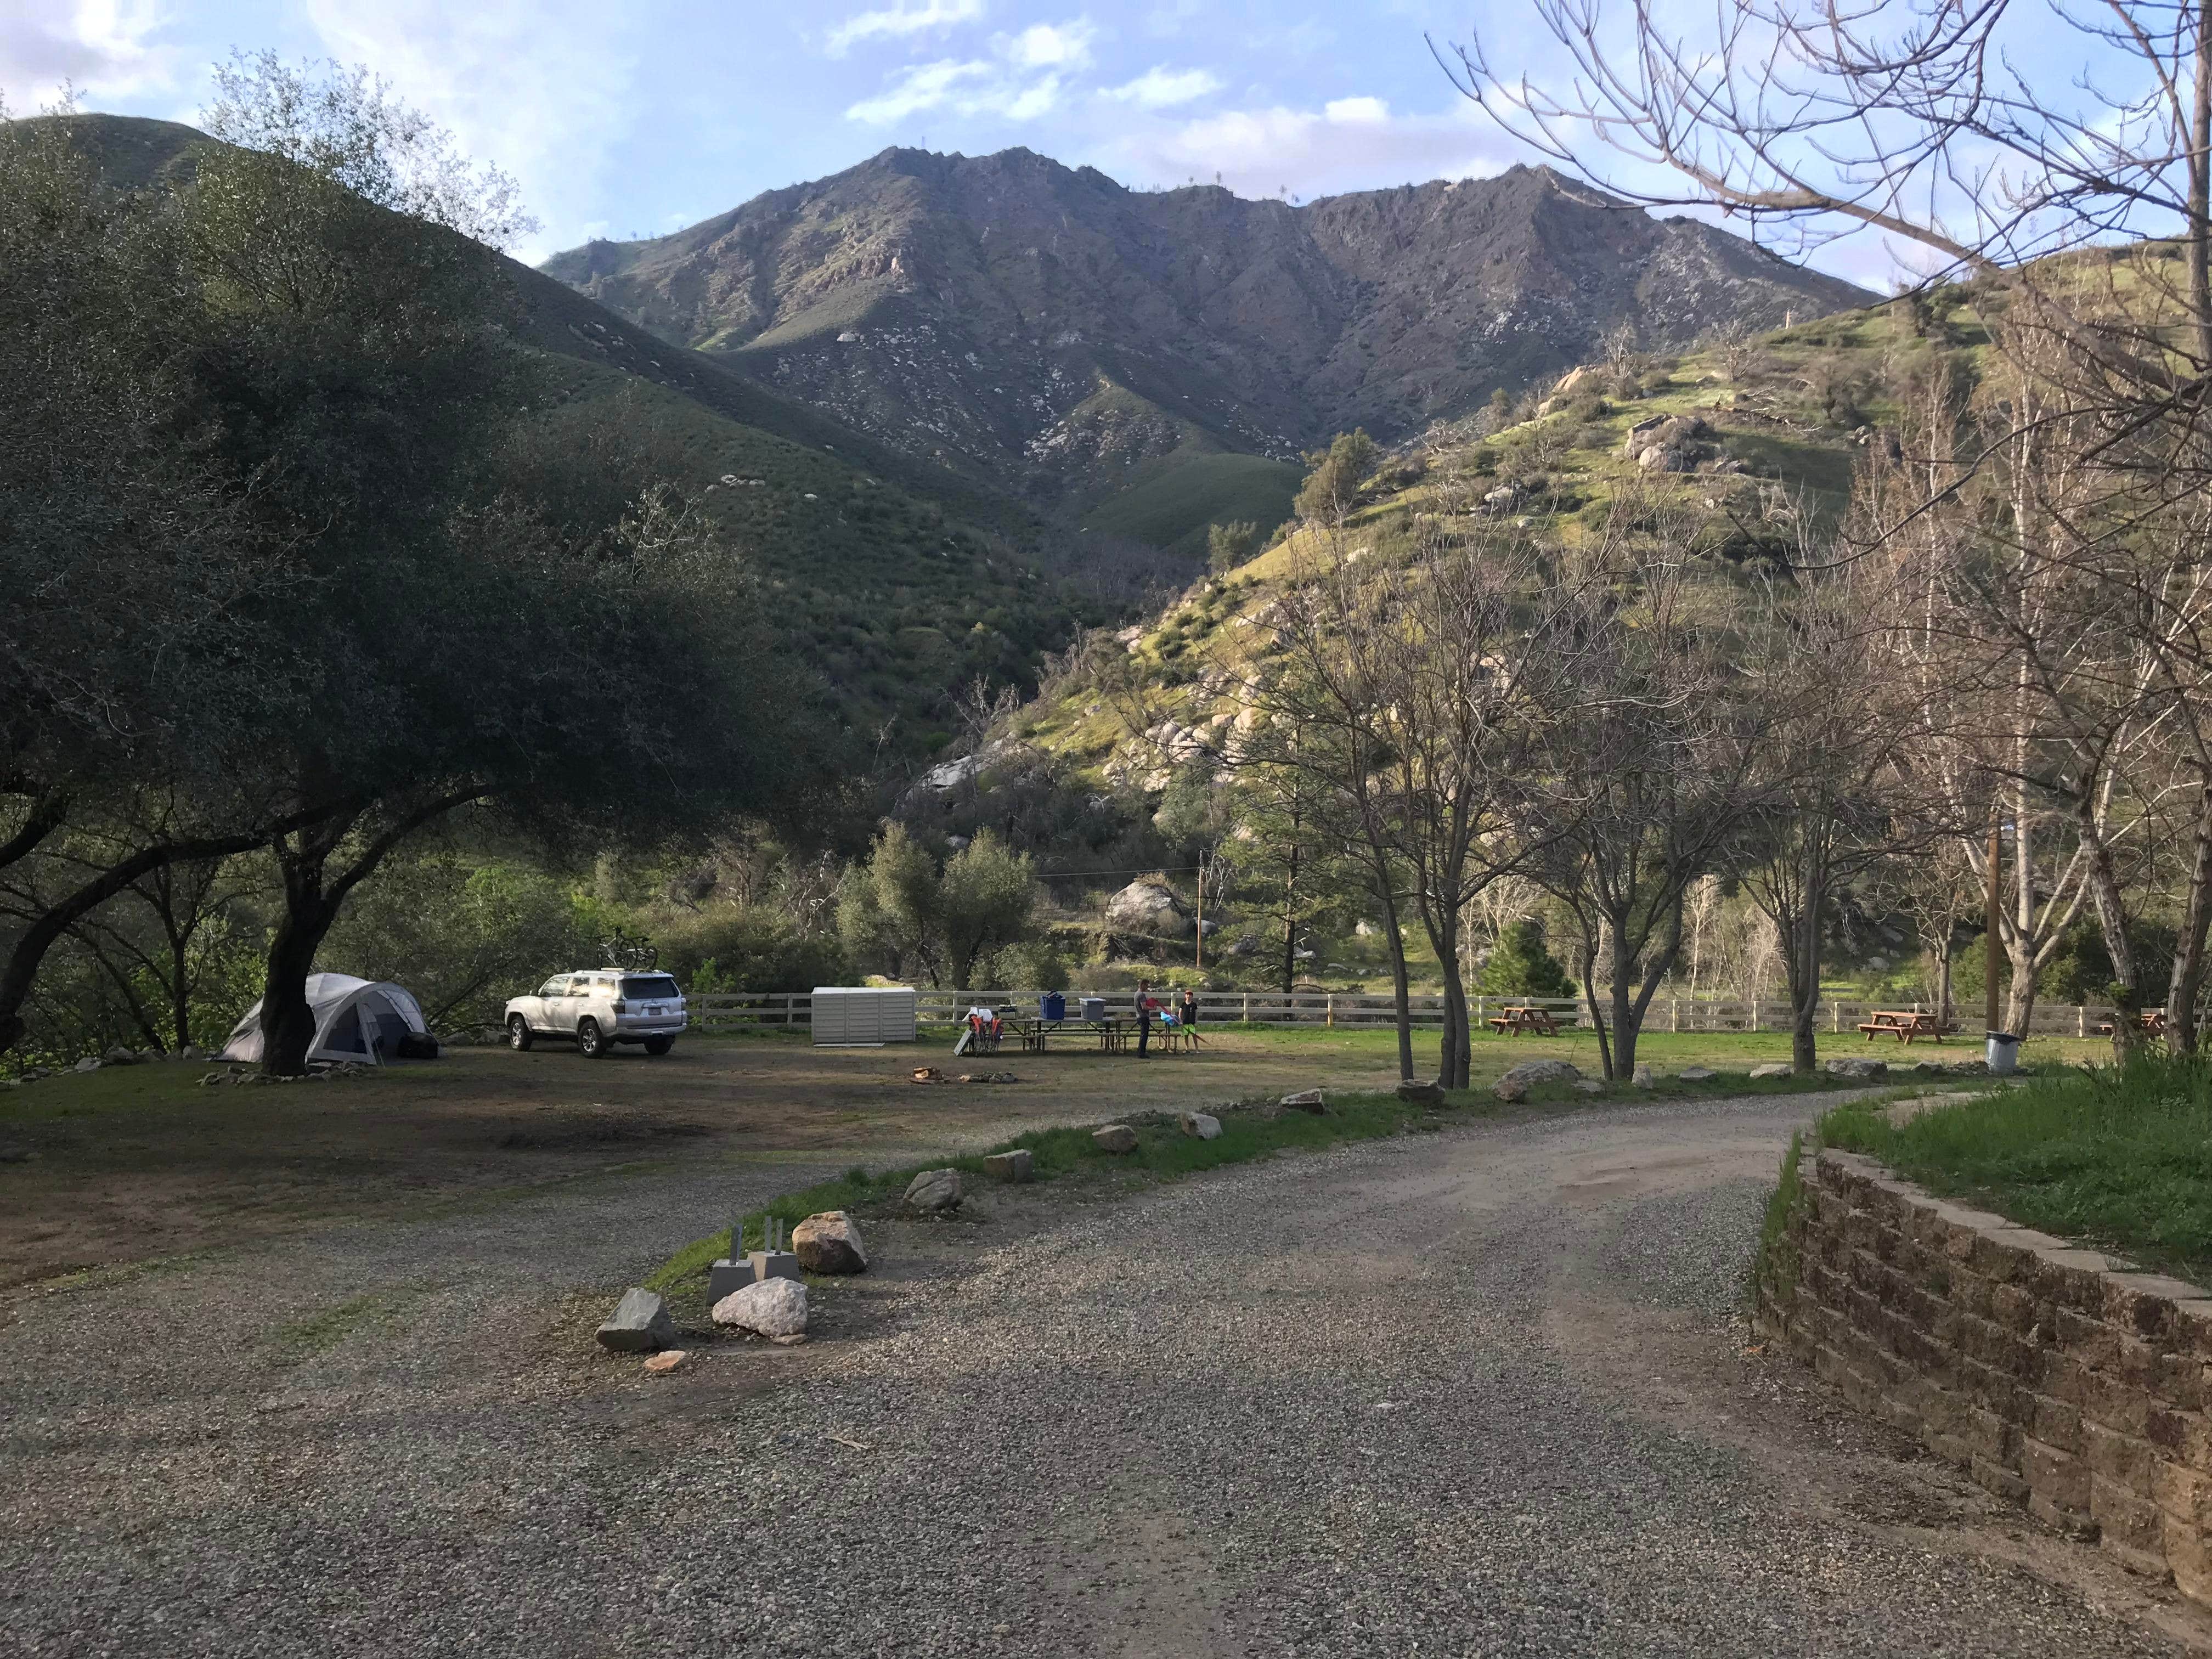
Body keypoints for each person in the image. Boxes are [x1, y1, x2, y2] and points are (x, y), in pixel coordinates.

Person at [1135, 980, 1154, 1058]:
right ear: (1142, 985)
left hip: (1139, 1016)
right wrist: (1153, 1008)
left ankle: (1140, 1051)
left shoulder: (1136, 994)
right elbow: (1144, 1007)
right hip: (1143, 1017)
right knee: (1144, 1036)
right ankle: (1141, 1053)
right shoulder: (1142, 995)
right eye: (1146, 985)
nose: (1147, 987)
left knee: (1143, 1035)